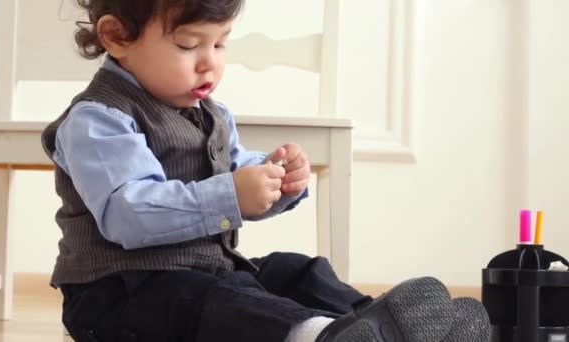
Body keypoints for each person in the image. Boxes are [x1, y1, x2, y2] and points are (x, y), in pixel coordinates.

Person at [41, 1, 491, 341]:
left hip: (207, 271)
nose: (209, 62)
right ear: (117, 36)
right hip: (119, 296)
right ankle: (320, 335)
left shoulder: (209, 113)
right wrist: (231, 196)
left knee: (293, 271)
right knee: (215, 301)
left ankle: (381, 323)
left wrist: (277, 179)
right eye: (187, 45)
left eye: (220, 43)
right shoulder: (99, 119)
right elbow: (128, 213)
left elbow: (234, 170)